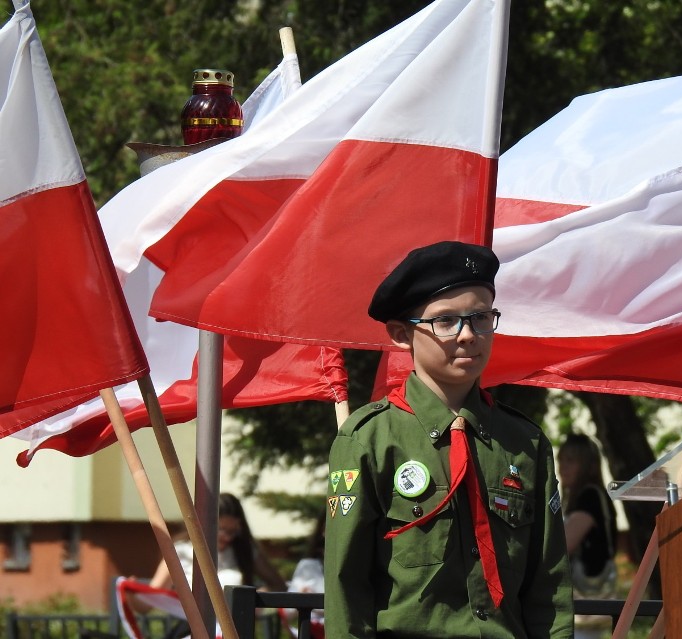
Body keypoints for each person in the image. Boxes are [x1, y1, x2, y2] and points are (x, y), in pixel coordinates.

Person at [324, 240, 574, 638]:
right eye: (445, 321)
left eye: (480, 317)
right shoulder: (369, 439)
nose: (468, 335)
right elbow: (347, 587)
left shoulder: (524, 443)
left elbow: (548, 586)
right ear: (401, 334)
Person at [137, 492, 287, 614]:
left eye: (232, 531)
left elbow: (278, 585)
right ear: (205, 524)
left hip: (235, 629)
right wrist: (131, 594)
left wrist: (251, 601)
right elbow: (150, 600)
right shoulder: (181, 552)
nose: (227, 537)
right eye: (221, 530)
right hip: (192, 628)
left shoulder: (244, 551)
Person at [558, 434, 618, 600]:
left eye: (570, 461)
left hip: (590, 599)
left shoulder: (589, 497)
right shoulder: (586, 497)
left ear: (587, 465)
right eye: (561, 460)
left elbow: (560, 547)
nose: (562, 467)